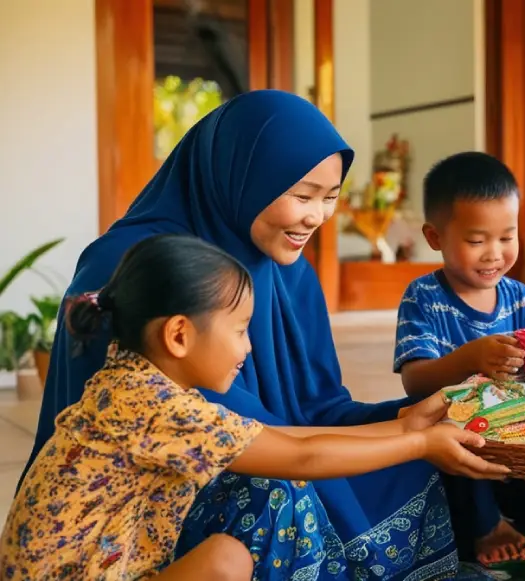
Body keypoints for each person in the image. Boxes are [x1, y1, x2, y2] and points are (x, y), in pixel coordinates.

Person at [20, 90, 469, 580]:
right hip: (145, 517)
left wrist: (406, 424)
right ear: (242, 175)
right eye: (302, 195)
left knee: (420, 455)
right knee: (281, 493)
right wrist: (410, 438)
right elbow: (283, 450)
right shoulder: (137, 268)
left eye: (330, 198)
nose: (316, 216)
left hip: (243, 453)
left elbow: (315, 410)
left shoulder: (283, 266)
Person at [1, 234, 508, 580]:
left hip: (115, 559)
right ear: (179, 334)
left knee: (268, 490)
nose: (248, 348)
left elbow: (282, 441)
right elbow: (301, 458)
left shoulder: (138, 379)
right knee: (231, 553)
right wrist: (418, 443)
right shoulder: (153, 405)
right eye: (240, 331)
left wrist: (402, 425)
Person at [393, 151, 525, 565]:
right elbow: (416, 382)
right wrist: (471, 358)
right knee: (453, 425)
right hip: (459, 429)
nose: (494, 254)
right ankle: (485, 526)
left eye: (507, 236)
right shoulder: (423, 297)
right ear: (435, 237)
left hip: (517, 427)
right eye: (477, 241)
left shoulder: (522, 297)